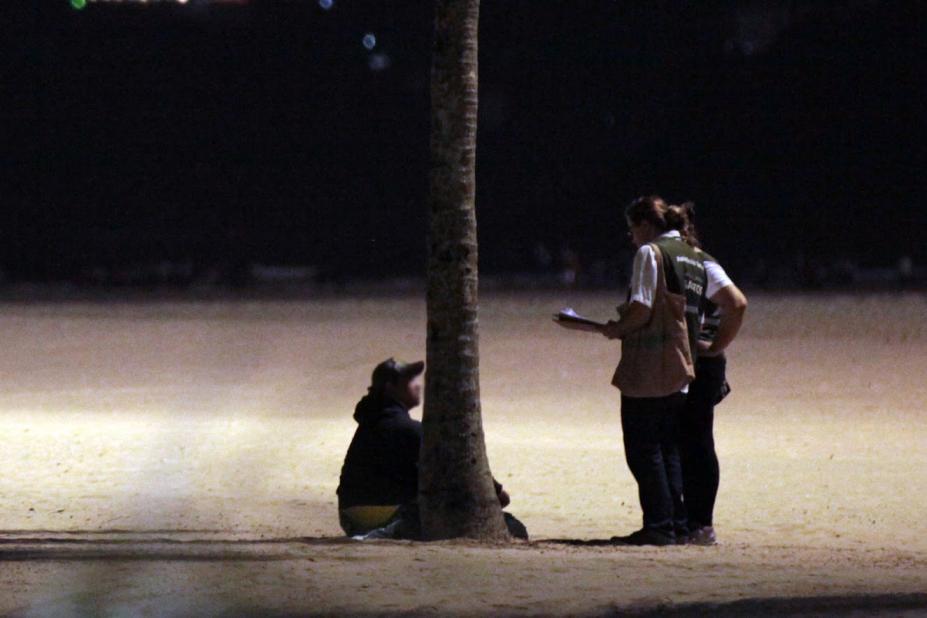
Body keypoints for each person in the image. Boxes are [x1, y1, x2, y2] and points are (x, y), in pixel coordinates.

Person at [599, 196, 708, 546]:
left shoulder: (651, 253)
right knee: (668, 448)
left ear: (645, 225)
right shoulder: (693, 254)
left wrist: (617, 328)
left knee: (643, 448)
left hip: (652, 364)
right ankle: (675, 523)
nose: (632, 239)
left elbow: (643, 307)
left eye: (632, 230)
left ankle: (658, 526)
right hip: (683, 365)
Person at [336, 358, 528, 540]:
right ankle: (382, 533)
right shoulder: (404, 428)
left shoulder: (372, 424)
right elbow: (455, 463)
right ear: (390, 387)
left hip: (349, 516)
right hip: (384, 516)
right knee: (512, 526)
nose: (418, 385)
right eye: (410, 380)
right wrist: (494, 492)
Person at [676, 215, 748, 546]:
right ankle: (694, 523)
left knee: (692, 441)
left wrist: (714, 347)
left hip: (695, 362)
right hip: (696, 360)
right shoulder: (697, 261)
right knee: (695, 440)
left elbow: (737, 303)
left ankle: (697, 523)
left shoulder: (698, 262)